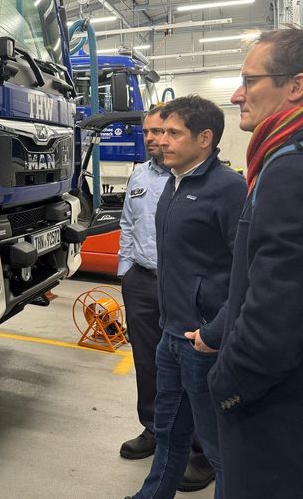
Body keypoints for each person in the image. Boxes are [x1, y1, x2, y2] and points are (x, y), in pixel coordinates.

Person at [127, 95, 246, 499]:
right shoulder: (173, 183)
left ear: (205, 139)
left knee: (217, 449)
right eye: (159, 132)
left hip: (203, 342)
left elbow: (246, 272)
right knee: (169, 432)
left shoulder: (228, 189)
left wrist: (213, 332)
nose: (162, 141)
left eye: (174, 133)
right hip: (171, 335)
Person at [208, 26, 303, 499]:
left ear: (295, 86)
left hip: (273, 401)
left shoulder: (288, 169)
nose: (236, 94)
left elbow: (277, 310)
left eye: (250, 81)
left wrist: (228, 384)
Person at [118, 105, 215, 492]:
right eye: (148, 132)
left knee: (193, 369)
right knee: (147, 361)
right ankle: (154, 428)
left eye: (164, 131)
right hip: (141, 282)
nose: (156, 139)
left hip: (183, 288)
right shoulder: (140, 174)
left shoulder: (194, 179)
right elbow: (128, 223)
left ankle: (200, 449)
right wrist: (125, 273)